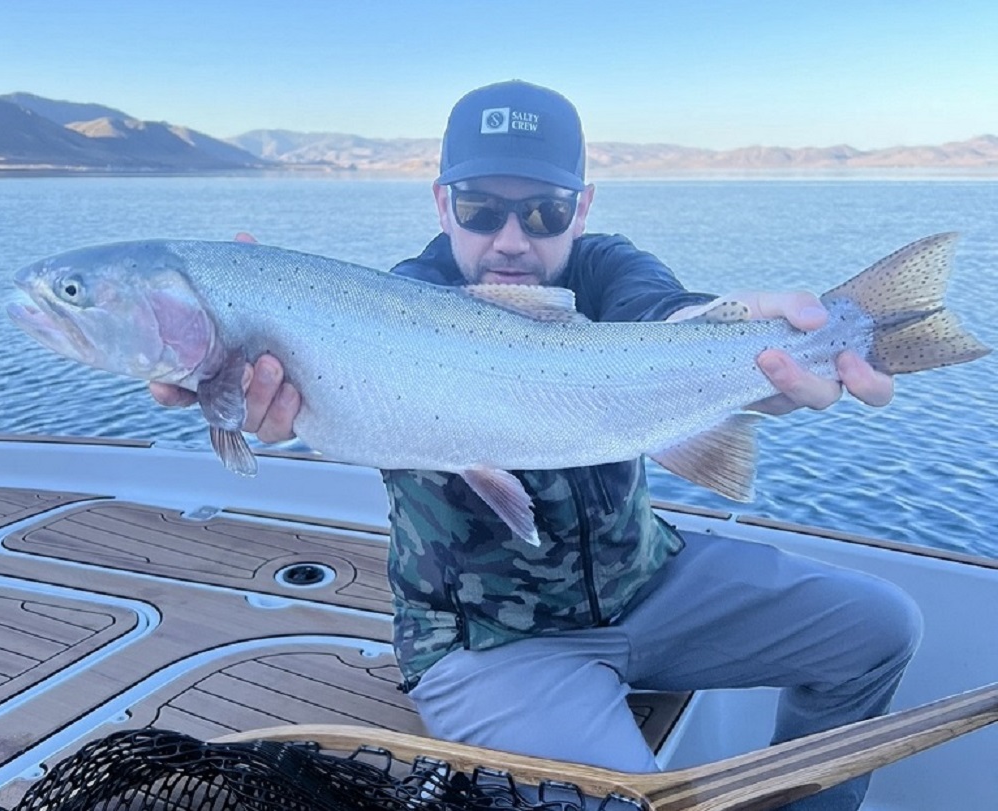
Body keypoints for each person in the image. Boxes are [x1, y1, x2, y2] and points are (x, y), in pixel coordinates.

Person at [151, 81, 922, 811]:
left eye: (545, 212)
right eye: (481, 208)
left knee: (882, 627)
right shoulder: (387, 304)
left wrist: (770, 347)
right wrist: (240, 370)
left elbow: (668, 317)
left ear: (582, 207)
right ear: (442, 204)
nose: (511, 239)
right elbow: (303, 377)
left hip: (651, 585)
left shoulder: (611, 267)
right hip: (491, 643)